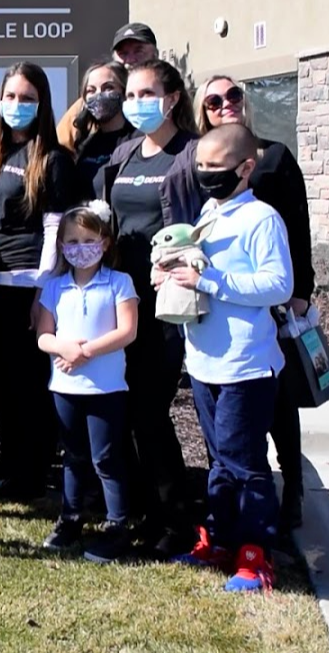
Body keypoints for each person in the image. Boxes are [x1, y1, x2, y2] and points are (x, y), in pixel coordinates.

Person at [168, 124, 292, 593]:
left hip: (246, 364)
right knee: (220, 461)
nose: (204, 175)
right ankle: (219, 540)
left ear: (246, 168)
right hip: (204, 361)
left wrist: (210, 282)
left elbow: (278, 285)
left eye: (215, 168)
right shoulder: (208, 212)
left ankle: (256, 556)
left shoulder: (262, 219)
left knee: (244, 462)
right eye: (200, 166)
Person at [196, 74, 314, 532]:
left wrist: (301, 295)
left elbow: (290, 251)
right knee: (227, 446)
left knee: (276, 412)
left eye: (233, 95)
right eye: (212, 100)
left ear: (245, 166)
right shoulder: (210, 203)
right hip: (213, 344)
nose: (224, 103)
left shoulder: (273, 167)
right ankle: (224, 531)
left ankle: (274, 520)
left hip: (259, 330)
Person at [97, 59, 201, 556]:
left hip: (167, 307)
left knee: (150, 412)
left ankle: (174, 521)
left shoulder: (192, 155)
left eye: (147, 93)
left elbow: (207, 227)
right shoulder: (123, 155)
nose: (136, 103)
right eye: (131, 94)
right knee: (125, 410)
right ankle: (137, 510)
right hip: (122, 301)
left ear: (174, 97)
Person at [0, 62, 78, 498]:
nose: (16, 105)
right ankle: (10, 460)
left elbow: (55, 229)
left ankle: (33, 471)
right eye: (10, 97)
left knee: (27, 384)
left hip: (25, 286)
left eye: (27, 98)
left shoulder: (53, 159)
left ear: (42, 103)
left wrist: (42, 290)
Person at [36, 202, 138, 563]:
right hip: (65, 387)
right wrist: (62, 346)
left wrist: (87, 351)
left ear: (105, 242)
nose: (81, 248)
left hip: (106, 388)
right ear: (62, 246)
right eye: (73, 241)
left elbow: (127, 330)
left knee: (106, 457)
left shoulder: (119, 283)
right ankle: (71, 517)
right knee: (73, 456)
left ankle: (117, 524)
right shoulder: (55, 287)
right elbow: (44, 335)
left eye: (89, 239)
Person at [57, 23, 159, 151]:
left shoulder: (165, 98)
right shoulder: (85, 106)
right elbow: (62, 148)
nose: (130, 60)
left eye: (139, 51)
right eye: (123, 53)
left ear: (155, 55)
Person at [70, 62, 137, 196]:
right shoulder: (86, 145)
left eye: (108, 88)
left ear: (124, 92)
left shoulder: (139, 140)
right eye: (91, 90)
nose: (99, 95)